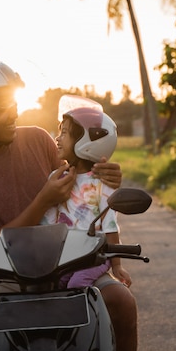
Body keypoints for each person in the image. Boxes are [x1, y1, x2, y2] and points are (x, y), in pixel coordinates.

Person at [0, 58, 138, 351]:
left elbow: (80, 184)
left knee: (122, 302)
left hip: (67, 266)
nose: (13, 113)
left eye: (12, 104)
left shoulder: (38, 139)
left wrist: (106, 176)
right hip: (4, 282)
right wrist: (42, 200)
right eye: (1, 107)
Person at [41, 95, 132, 289]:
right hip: (65, 256)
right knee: (52, 285)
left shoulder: (101, 183)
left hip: (94, 255)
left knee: (77, 284)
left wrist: (117, 265)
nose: (57, 138)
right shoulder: (55, 179)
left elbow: (110, 226)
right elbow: (47, 220)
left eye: (64, 133)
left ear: (87, 140)